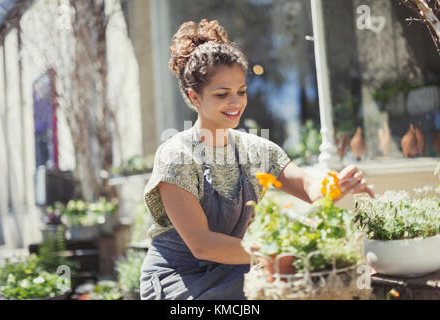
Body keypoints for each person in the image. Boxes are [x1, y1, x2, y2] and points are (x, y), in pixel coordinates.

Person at [140, 19, 375, 300]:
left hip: (237, 270)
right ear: (195, 97)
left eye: (241, 91)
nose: (236, 102)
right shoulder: (177, 157)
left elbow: (311, 189)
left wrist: (338, 183)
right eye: (222, 94)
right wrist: (278, 252)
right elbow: (202, 245)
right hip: (180, 283)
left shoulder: (257, 150)